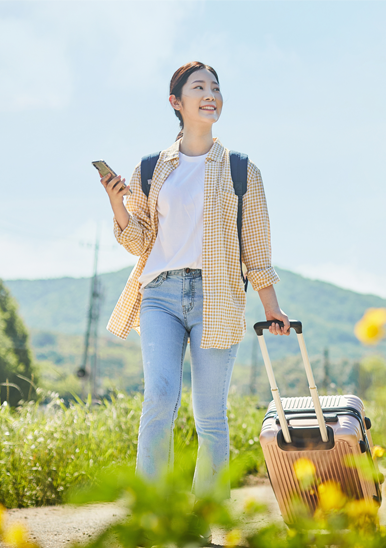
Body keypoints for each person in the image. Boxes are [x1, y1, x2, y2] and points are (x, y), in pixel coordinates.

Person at [100, 61, 290, 505]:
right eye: (199, 87)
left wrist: (271, 307)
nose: (210, 95)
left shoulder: (241, 170)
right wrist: (117, 204)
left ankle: (206, 512)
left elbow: (256, 247)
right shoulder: (151, 168)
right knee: (159, 398)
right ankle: (153, 510)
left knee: (209, 414)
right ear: (176, 102)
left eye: (216, 88)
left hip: (217, 295)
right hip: (160, 295)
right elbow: (139, 241)